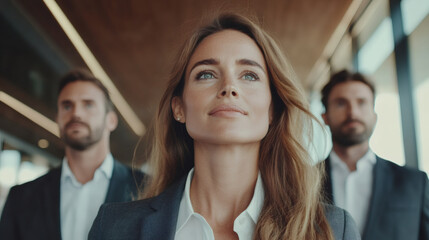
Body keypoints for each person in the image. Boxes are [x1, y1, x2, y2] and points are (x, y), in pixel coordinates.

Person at [89, 13, 360, 240]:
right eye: (206, 74)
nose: (229, 87)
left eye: (249, 75)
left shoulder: (332, 230)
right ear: (179, 108)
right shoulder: (113, 228)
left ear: (272, 109)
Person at [0, 69, 144, 240]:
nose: (76, 113)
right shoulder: (22, 197)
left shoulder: (147, 188)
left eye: (88, 104)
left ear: (111, 120)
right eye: (67, 106)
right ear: (58, 118)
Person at [321, 69, 429, 240]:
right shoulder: (301, 182)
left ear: (375, 116)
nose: (353, 112)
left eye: (362, 102)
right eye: (341, 103)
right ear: (325, 117)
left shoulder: (415, 183)